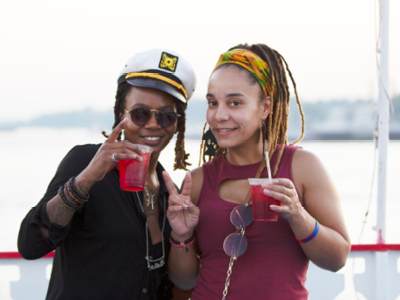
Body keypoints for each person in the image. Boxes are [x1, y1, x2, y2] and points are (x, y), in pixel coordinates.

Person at [162, 43, 351, 300]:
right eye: (213, 103)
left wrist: (298, 216)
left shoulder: (303, 168)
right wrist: (180, 235)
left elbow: (337, 259)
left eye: (235, 103)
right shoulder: (195, 181)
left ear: (265, 107)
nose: (219, 115)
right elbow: (184, 280)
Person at [17, 48, 196, 300]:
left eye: (166, 116)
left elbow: (176, 281)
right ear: (121, 114)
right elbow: (30, 244)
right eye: (140, 113)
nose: (153, 124)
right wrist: (84, 181)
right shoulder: (84, 162)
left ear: (177, 123)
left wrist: (182, 235)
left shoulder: (170, 192)